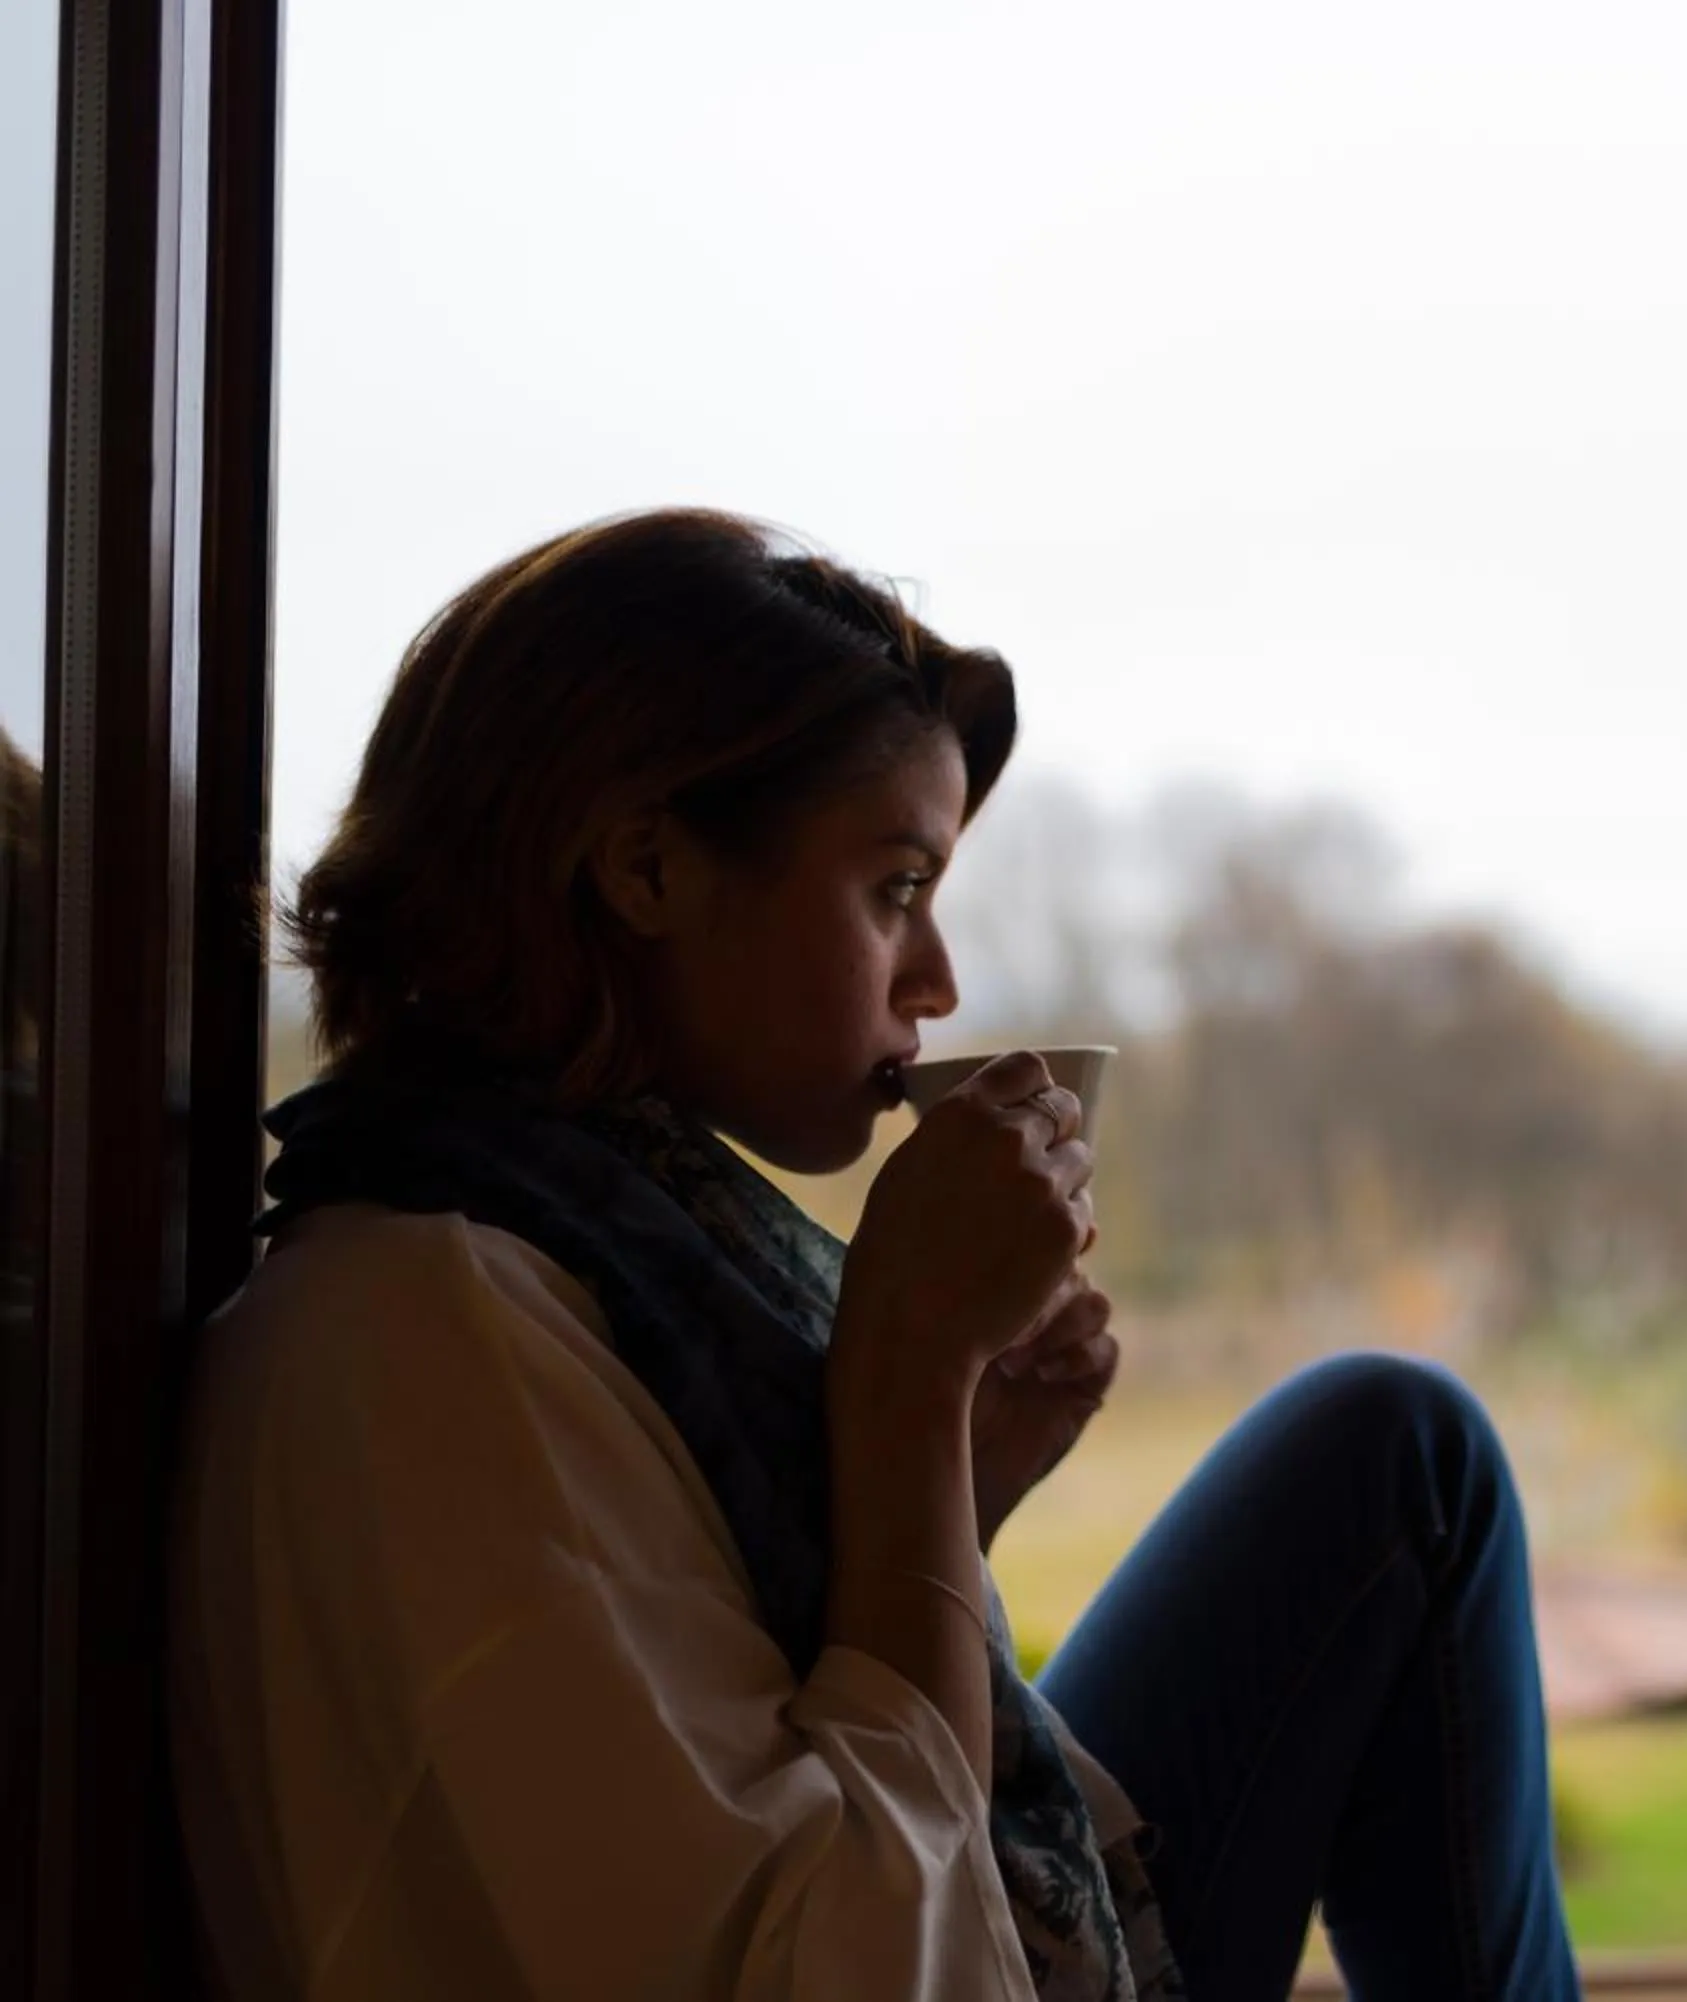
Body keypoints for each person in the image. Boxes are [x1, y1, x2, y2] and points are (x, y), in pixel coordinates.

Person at [167, 508, 1582, 2002]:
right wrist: (903, 1381)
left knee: (1392, 1454)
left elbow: (733, 1710)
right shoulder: (429, 1337)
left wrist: (946, 1484)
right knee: (1403, 1467)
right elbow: (853, 1963)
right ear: (644, 866)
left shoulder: (572, 1240)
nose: (941, 977)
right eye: (896, 887)